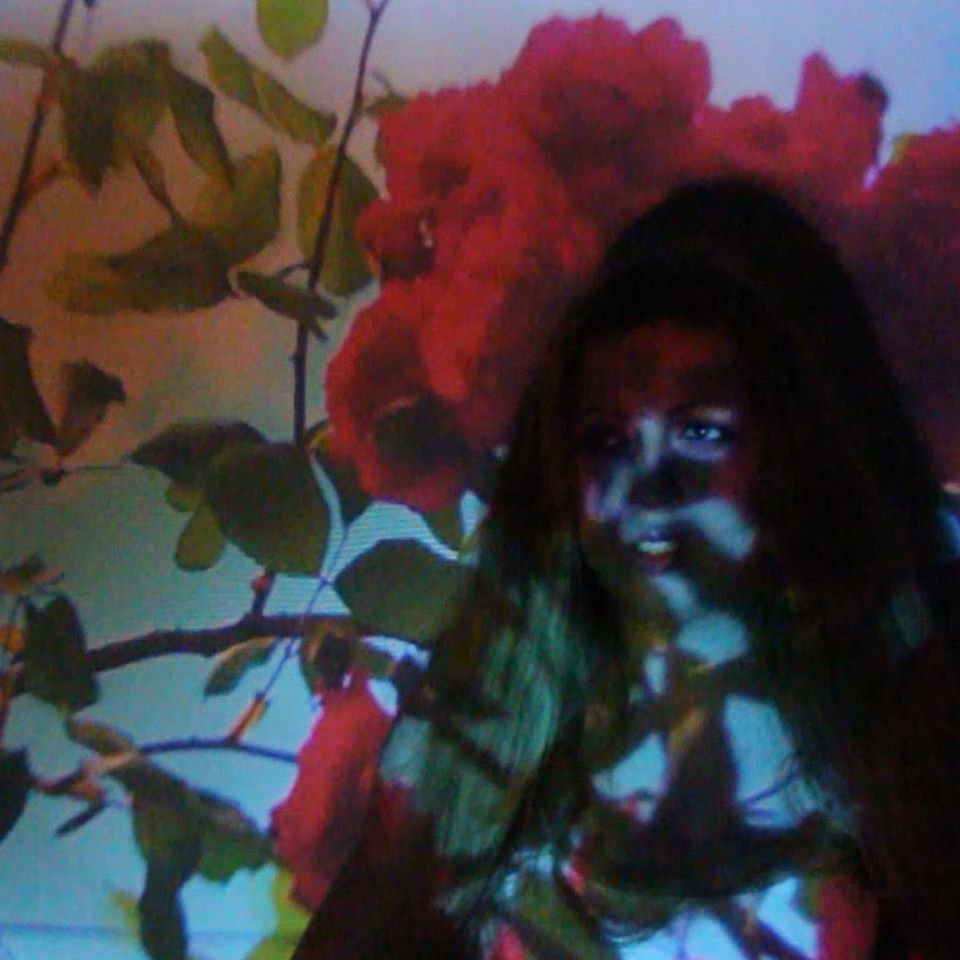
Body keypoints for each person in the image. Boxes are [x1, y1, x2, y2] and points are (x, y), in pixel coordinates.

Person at [292, 178, 960, 960]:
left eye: (701, 430)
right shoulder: (494, 711)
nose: (650, 484)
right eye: (606, 439)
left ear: (802, 442)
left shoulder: (910, 699)